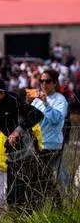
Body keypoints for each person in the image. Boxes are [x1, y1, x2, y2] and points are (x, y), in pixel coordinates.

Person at [0, 77, 44, 211]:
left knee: (27, 197)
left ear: (1, 93)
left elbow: (37, 115)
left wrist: (18, 131)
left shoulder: (14, 102)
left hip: (27, 156)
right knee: (12, 198)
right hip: (11, 157)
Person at [31, 67, 69, 200]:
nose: (44, 84)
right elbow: (29, 120)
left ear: (55, 83)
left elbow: (56, 120)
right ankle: (49, 206)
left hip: (51, 145)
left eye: (47, 81)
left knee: (45, 178)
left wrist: (46, 104)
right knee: (39, 179)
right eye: (41, 81)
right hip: (36, 145)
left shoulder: (60, 100)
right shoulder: (36, 100)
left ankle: (56, 205)